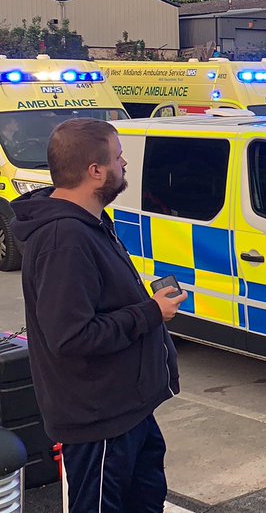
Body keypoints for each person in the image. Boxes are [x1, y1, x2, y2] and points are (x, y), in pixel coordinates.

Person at [11, 118, 185, 512]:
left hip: (127, 411)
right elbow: (71, 337)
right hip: (100, 420)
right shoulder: (64, 239)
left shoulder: (89, 224)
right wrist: (150, 312)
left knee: (144, 501)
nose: (124, 165)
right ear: (95, 171)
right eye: (118, 158)